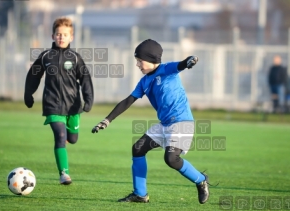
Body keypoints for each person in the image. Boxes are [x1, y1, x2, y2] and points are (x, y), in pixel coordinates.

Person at [91, 39, 210, 204]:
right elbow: (128, 101)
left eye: (140, 61)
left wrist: (189, 61)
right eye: (137, 61)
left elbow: (181, 64)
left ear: (152, 59)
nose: (138, 65)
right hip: (165, 124)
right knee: (138, 148)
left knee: (171, 159)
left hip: (182, 122)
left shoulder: (166, 69)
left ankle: (201, 180)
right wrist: (107, 120)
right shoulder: (144, 81)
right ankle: (140, 194)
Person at [24, 17, 94, 185]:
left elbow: (85, 79)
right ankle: (64, 174)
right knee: (60, 136)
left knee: (73, 138)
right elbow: (34, 75)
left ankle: (66, 140)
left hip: (73, 107)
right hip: (52, 105)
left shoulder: (75, 58)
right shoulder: (46, 56)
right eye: (58, 34)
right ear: (52, 36)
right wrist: (28, 93)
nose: (61, 37)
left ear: (71, 37)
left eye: (65, 34)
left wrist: (88, 99)